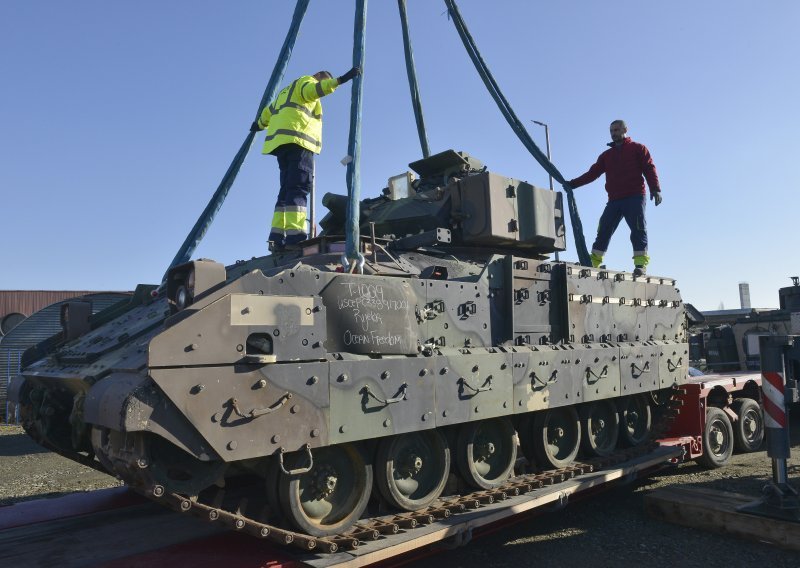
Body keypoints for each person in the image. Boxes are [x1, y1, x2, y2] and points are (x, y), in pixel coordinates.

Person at [250, 67, 361, 250]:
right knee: (298, 189)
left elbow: (268, 112)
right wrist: (341, 80)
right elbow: (314, 90)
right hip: (299, 141)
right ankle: (295, 237)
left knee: (285, 191)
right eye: (322, 81)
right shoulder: (306, 83)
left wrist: (259, 125)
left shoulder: (285, 92)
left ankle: (276, 238)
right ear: (317, 76)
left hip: (281, 145)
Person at [565, 120, 662, 276]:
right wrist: (573, 184)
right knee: (604, 229)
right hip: (614, 199)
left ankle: (640, 265)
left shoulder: (638, 149)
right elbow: (593, 173)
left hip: (635, 196)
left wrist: (655, 189)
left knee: (638, 228)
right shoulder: (606, 156)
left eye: (616, 129)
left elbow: (649, 168)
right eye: (611, 130)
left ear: (625, 129)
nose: (613, 133)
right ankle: (594, 263)